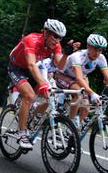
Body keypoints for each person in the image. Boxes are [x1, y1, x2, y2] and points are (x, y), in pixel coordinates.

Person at [8, 19, 71, 149]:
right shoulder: (31, 39)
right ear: (46, 32)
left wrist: (66, 54)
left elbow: (60, 65)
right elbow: (31, 64)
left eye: (60, 38)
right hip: (17, 67)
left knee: (48, 98)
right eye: (55, 36)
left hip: (32, 68)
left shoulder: (56, 45)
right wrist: (42, 83)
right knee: (29, 95)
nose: (57, 40)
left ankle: (30, 123)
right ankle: (21, 133)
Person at [54, 33, 108, 130]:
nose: (97, 52)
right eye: (95, 48)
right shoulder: (78, 56)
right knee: (78, 93)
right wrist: (92, 93)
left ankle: (72, 131)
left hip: (79, 79)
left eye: (100, 50)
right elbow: (79, 78)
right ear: (88, 46)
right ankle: (69, 123)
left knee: (86, 107)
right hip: (63, 75)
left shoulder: (101, 58)